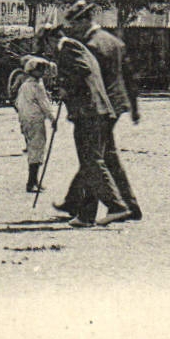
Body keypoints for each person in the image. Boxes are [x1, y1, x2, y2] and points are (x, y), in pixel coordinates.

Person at [45, 12, 131, 228]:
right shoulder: (76, 46)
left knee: (92, 161)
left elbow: (82, 71)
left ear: (51, 39)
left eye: (45, 47)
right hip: (96, 112)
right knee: (90, 162)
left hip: (90, 113)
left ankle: (117, 206)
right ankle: (86, 216)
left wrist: (65, 88)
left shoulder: (68, 48)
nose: (47, 52)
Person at [59, 0, 142, 223]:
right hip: (116, 104)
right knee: (106, 157)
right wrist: (134, 107)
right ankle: (128, 206)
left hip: (97, 108)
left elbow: (89, 80)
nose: (71, 28)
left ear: (86, 20)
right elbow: (129, 76)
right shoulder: (114, 41)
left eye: (74, 23)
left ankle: (92, 210)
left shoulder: (89, 45)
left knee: (93, 157)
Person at [12, 55, 57, 194]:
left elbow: (17, 103)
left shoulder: (25, 86)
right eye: (40, 70)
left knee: (33, 148)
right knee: (37, 149)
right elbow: (45, 105)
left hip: (25, 120)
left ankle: (34, 181)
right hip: (35, 120)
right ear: (33, 71)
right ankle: (31, 182)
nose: (42, 73)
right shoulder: (36, 86)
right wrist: (53, 119)